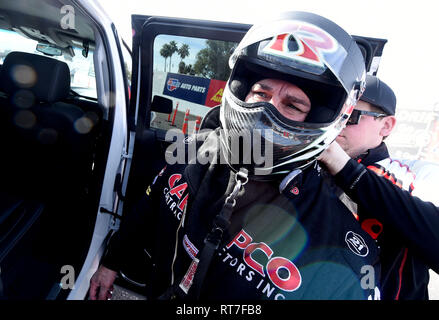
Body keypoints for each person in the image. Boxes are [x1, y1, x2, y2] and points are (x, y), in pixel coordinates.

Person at [89, 11, 379, 300]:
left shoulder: (333, 241)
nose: (268, 112)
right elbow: (149, 206)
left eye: (292, 105)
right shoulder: (194, 148)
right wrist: (111, 263)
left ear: (318, 119)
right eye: (260, 94)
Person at [318, 75, 439, 299]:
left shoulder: (414, 175)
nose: (337, 122)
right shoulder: (307, 164)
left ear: (386, 125)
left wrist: (344, 168)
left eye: (351, 115)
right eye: (333, 110)